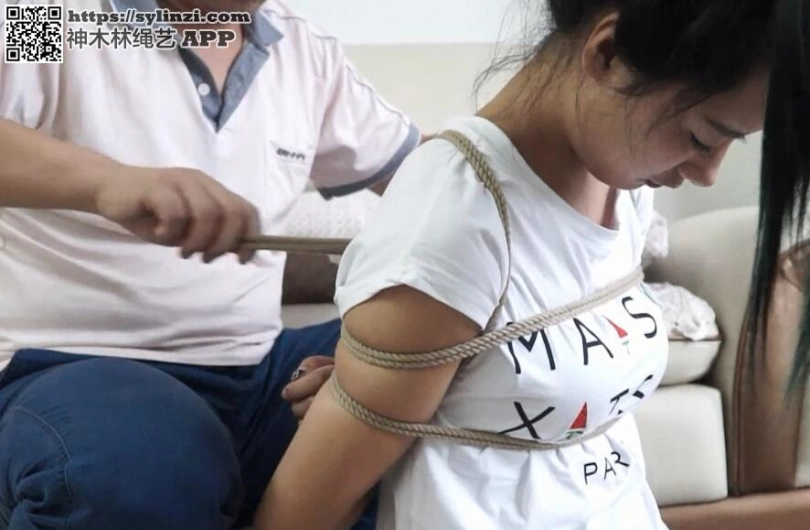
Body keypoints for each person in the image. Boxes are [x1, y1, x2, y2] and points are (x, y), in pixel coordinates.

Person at [255, 0, 810, 529]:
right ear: (608, 53)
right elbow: (308, 505)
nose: (707, 175)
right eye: (702, 137)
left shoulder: (624, 187)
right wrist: (374, 386)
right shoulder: (456, 221)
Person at [0, 0, 422, 528]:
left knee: (441, 359)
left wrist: (505, 138)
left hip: (263, 375)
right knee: (137, 466)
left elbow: (432, 178)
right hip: (73, 369)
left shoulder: (302, 50)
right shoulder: (48, 17)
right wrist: (108, 181)